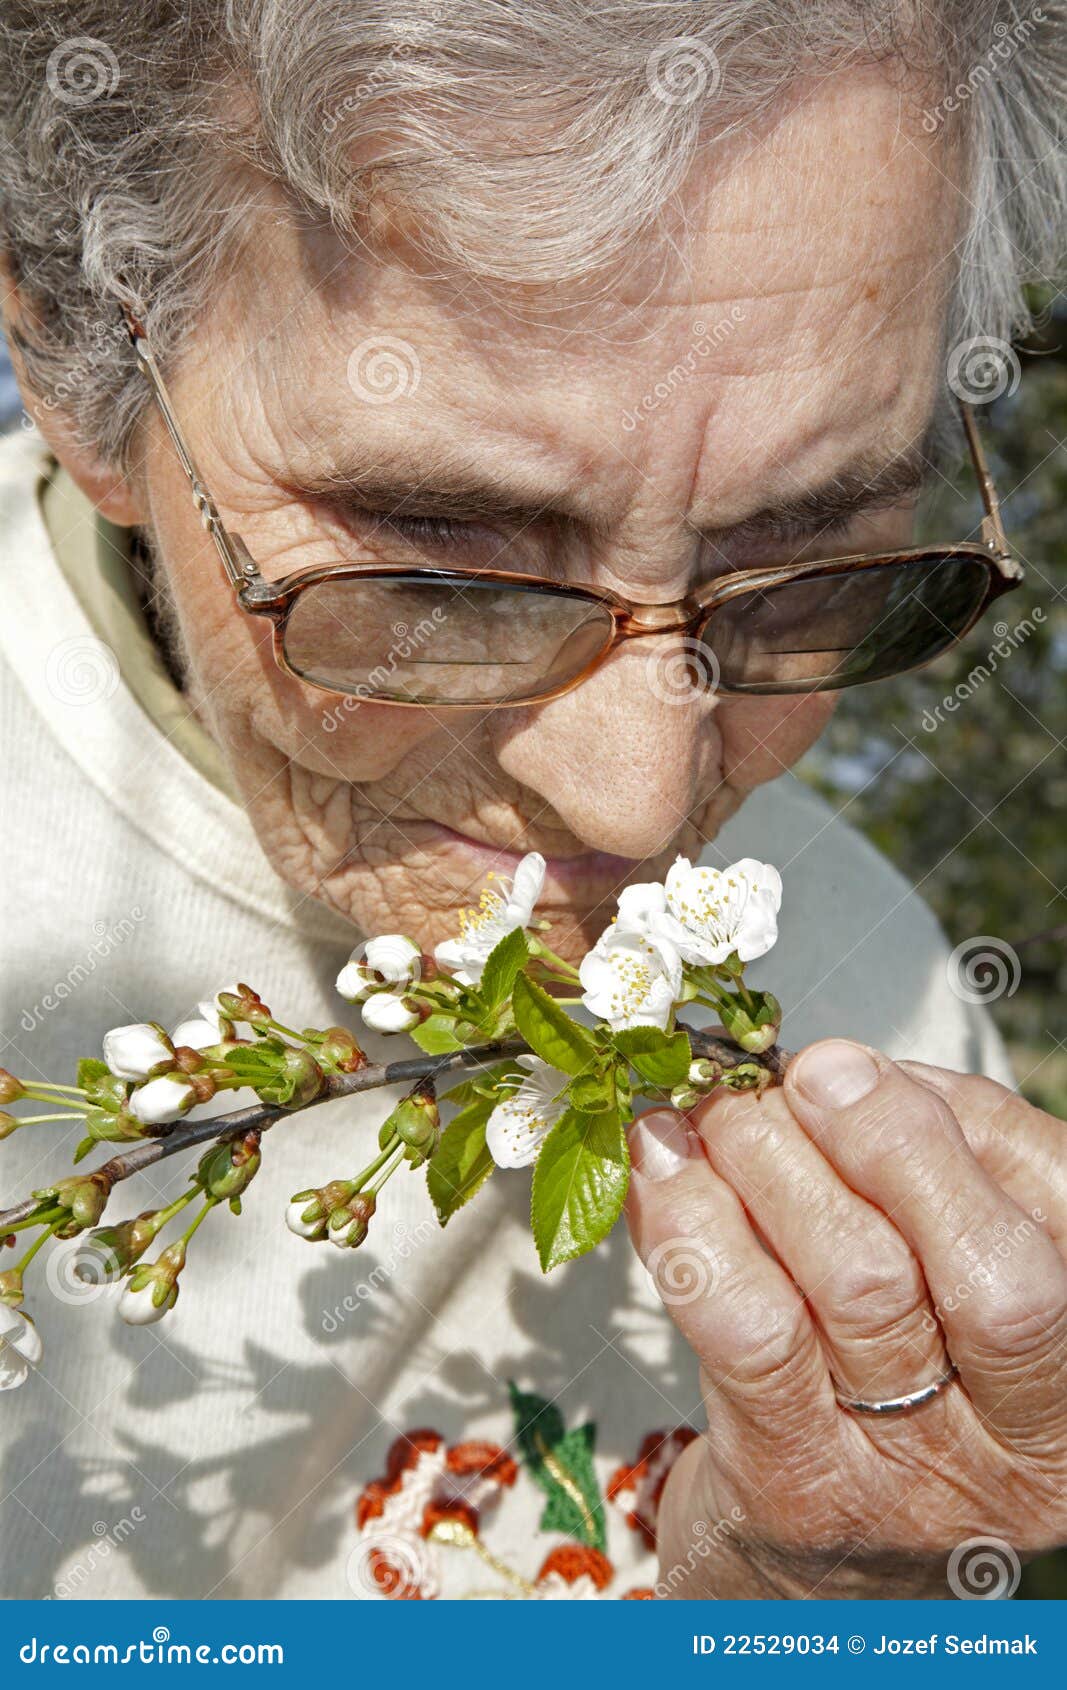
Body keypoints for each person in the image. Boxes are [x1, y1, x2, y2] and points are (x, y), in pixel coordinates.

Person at [0, 2, 1063, 1600]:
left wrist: (794, 1590)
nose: (638, 806)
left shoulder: (878, 991)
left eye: (800, 559)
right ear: (83, 381)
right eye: (436, 555)